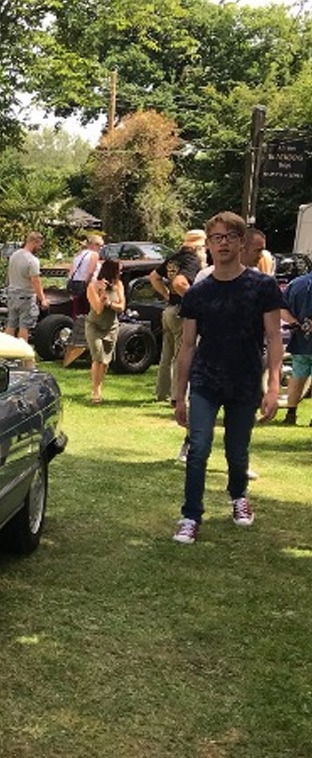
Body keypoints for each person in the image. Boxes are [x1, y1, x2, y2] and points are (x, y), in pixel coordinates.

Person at [171, 211, 282, 544]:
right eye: (215, 238)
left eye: (229, 237)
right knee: (199, 447)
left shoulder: (262, 286)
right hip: (206, 380)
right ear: (208, 244)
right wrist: (180, 394)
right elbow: (187, 346)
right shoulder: (197, 293)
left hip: (245, 380)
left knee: (237, 450)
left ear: (241, 242)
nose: (221, 244)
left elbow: (274, 337)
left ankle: (238, 496)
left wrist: (274, 385)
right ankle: (190, 515)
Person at [149, 229, 206, 404]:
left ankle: (162, 393)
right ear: (198, 247)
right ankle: (176, 396)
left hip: (169, 310)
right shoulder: (192, 260)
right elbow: (180, 282)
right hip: (181, 312)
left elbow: (154, 277)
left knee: (166, 355)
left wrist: (167, 295)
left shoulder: (173, 258)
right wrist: (194, 301)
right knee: (182, 354)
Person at [85, 259, 125, 404]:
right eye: (118, 270)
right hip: (94, 325)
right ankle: (96, 391)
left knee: (105, 361)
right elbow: (98, 309)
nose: (120, 273)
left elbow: (122, 307)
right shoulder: (93, 286)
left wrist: (110, 303)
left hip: (111, 326)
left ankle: (99, 384)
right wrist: (102, 295)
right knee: (97, 357)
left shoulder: (118, 285)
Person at [279, 269, 312, 425]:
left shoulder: (296, 284)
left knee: (297, 377)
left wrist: (294, 322)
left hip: (300, 340)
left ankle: (291, 414)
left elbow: (281, 308)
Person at [4, 232, 48, 341]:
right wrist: (43, 299)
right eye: (39, 245)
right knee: (24, 327)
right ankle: (24, 356)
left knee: (11, 325)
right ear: (34, 242)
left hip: (12, 294)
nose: (40, 248)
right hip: (26, 296)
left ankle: (4, 353)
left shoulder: (14, 256)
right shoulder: (32, 260)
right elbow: (35, 281)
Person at [66, 234, 103, 317]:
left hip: (75, 284)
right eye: (99, 246)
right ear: (94, 245)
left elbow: (71, 271)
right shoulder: (94, 255)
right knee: (89, 311)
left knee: (77, 310)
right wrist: (86, 284)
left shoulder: (78, 255)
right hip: (88, 285)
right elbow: (90, 272)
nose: (100, 248)